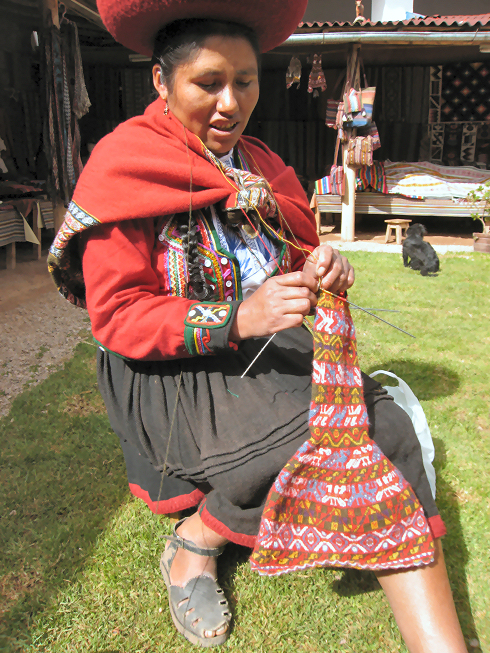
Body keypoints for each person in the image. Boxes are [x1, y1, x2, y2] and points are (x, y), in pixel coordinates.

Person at [48, 1, 468, 650]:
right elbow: (118, 314)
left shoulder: (262, 164)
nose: (229, 103)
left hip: (265, 353)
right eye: (207, 83)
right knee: (312, 426)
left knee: (382, 425)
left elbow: (297, 251)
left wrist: (322, 266)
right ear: (161, 82)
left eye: (245, 81)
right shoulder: (124, 164)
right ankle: (195, 543)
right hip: (170, 372)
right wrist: (239, 314)